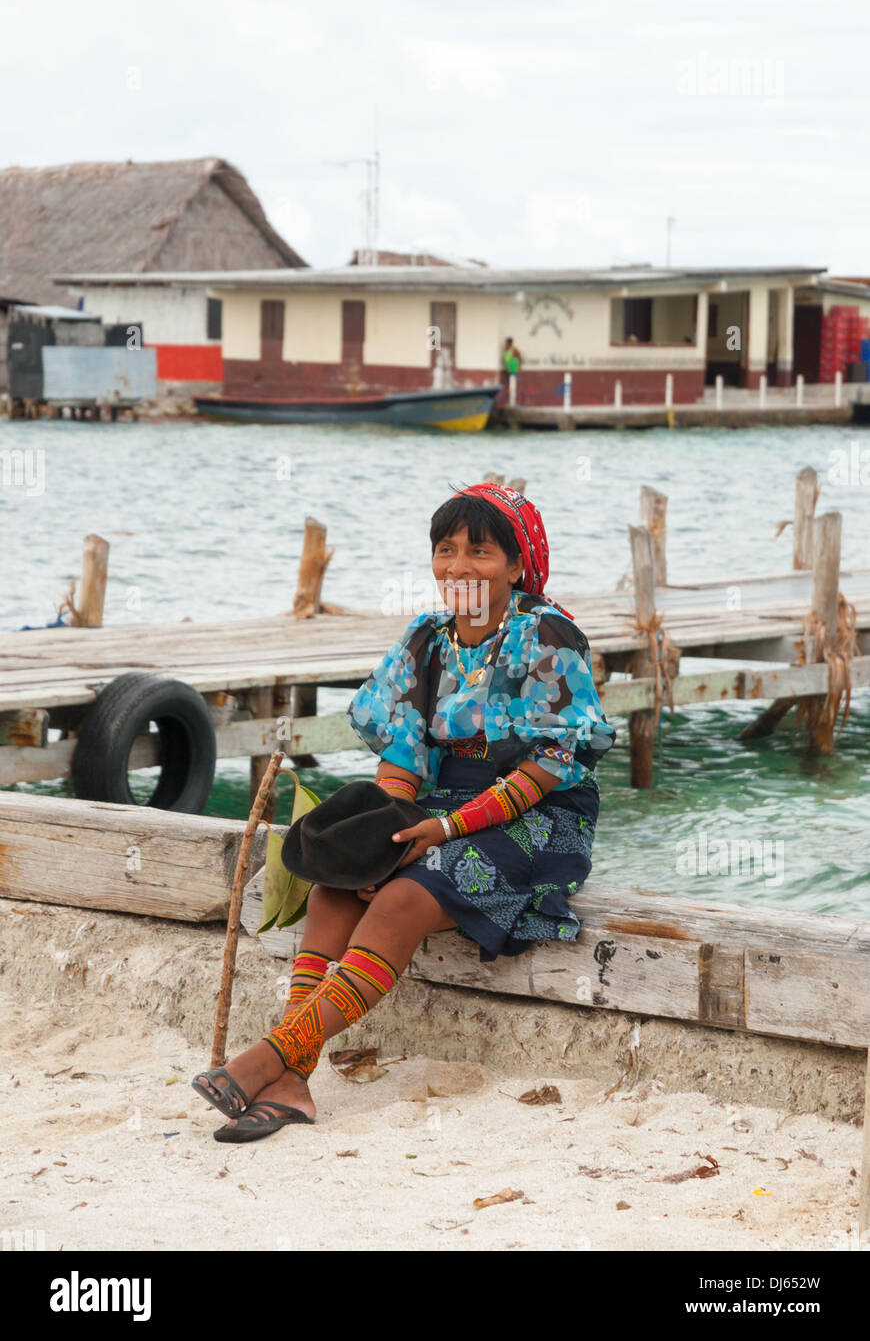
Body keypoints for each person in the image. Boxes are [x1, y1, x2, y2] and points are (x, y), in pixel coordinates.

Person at [192, 481, 615, 1142]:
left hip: (537, 810)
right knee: (337, 883)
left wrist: (444, 829)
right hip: (439, 798)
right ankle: (293, 1082)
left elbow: (552, 762)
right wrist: (387, 830)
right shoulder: (427, 637)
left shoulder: (547, 635)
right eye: (446, 550)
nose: (459, 567)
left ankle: (272, 1054)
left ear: (516, 563)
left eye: (481, 550)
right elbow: (401, 755)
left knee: (398, 902)